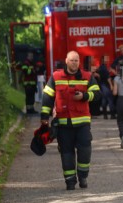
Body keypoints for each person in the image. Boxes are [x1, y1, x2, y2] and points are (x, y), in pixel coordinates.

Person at [40, 50, 101, 190]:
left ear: (79, 62)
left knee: (85, 151)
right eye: (72, 60)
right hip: (63, 123)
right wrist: (44, 117)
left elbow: (97, 94)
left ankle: (83, 176)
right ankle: (70, 181)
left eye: (76, 60)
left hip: (82, 124)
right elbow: (47, 97)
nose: (74, 63)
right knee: (66, 153)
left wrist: (85, 96)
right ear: (66, 61)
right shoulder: (56, 76)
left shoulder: (87, 76)